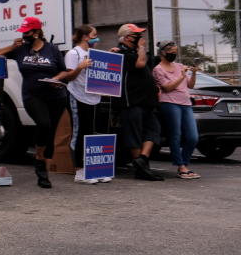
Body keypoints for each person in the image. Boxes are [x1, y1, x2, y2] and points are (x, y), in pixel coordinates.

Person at [0, 16, 68, 188]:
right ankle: (40, 164)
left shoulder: (52, 49)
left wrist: (57, 79)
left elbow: (64, 71)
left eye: (27, 32)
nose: (24, 34)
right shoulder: (21, 49)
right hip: (32, 96)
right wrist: (12, 46)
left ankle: (43, 155)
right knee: (44, 124)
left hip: (56, 96)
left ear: (36, 32)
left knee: (50, 135)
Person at [115, 23, 164, 181]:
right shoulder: (121, 52)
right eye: (137, 35)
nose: (141, 38)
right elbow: (140, 64)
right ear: (128, 37)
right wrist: (141, 48)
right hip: (132, 101)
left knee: (154, 129)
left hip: (147, 102)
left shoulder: (134, 51)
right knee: (134, 134)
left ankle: (142, 160)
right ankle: (142, 168)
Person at [63, 25, 108, 184]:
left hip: (93, 97)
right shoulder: (73, 53)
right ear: (85, 37)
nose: (97, 38)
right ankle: (79, 171)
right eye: (94, 35)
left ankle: (94, 168)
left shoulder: (93, 54)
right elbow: (69, 77)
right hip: (78, 96)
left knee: (90, 132)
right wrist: (79, 67)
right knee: (79, 132)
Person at [153, 41, 201, 180]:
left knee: (193, 137)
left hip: (185, 103)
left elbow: (190, 85)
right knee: (176, 134)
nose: (173, 54)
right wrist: (181, 76)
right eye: (171, 52)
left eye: (175, 52)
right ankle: (181, 166)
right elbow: (167, 88)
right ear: (162, 52)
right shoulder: (158, 69)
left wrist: (193, 73)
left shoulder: (179, 66)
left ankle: (184, 163)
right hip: (169, 103)